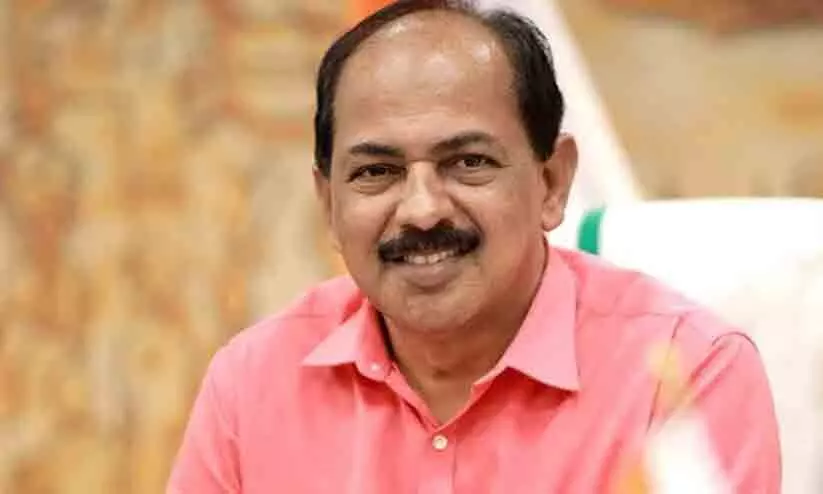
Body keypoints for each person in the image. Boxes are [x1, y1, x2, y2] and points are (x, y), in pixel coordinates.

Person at [167, 1, 780, 492]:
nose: (422, 209)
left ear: (551, 182)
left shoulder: (683, 375)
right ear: (329, 204)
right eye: (376, 172)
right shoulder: (253, 383)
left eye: (468, 162)